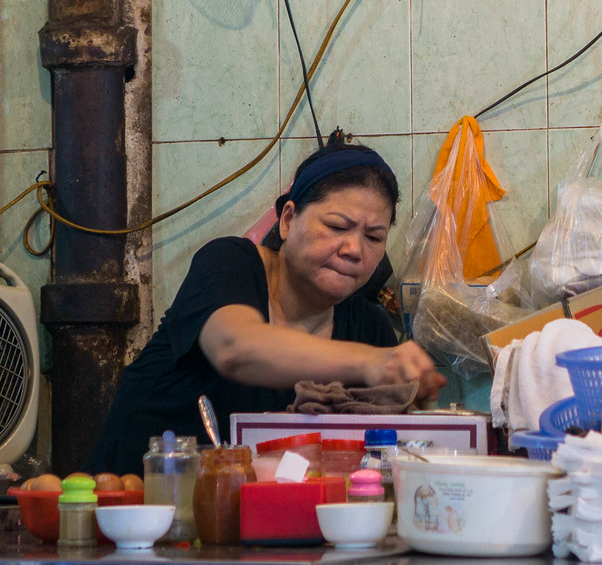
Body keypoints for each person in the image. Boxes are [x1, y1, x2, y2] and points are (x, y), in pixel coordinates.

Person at [90, 132, 444, 472]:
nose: (354, 250)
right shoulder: (229, 265)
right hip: (135, 508)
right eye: (337, 227)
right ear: (288, 220)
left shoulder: (368, 327)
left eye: (373, 237)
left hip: (267, 523)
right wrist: (371, 363)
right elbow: (236, 348)